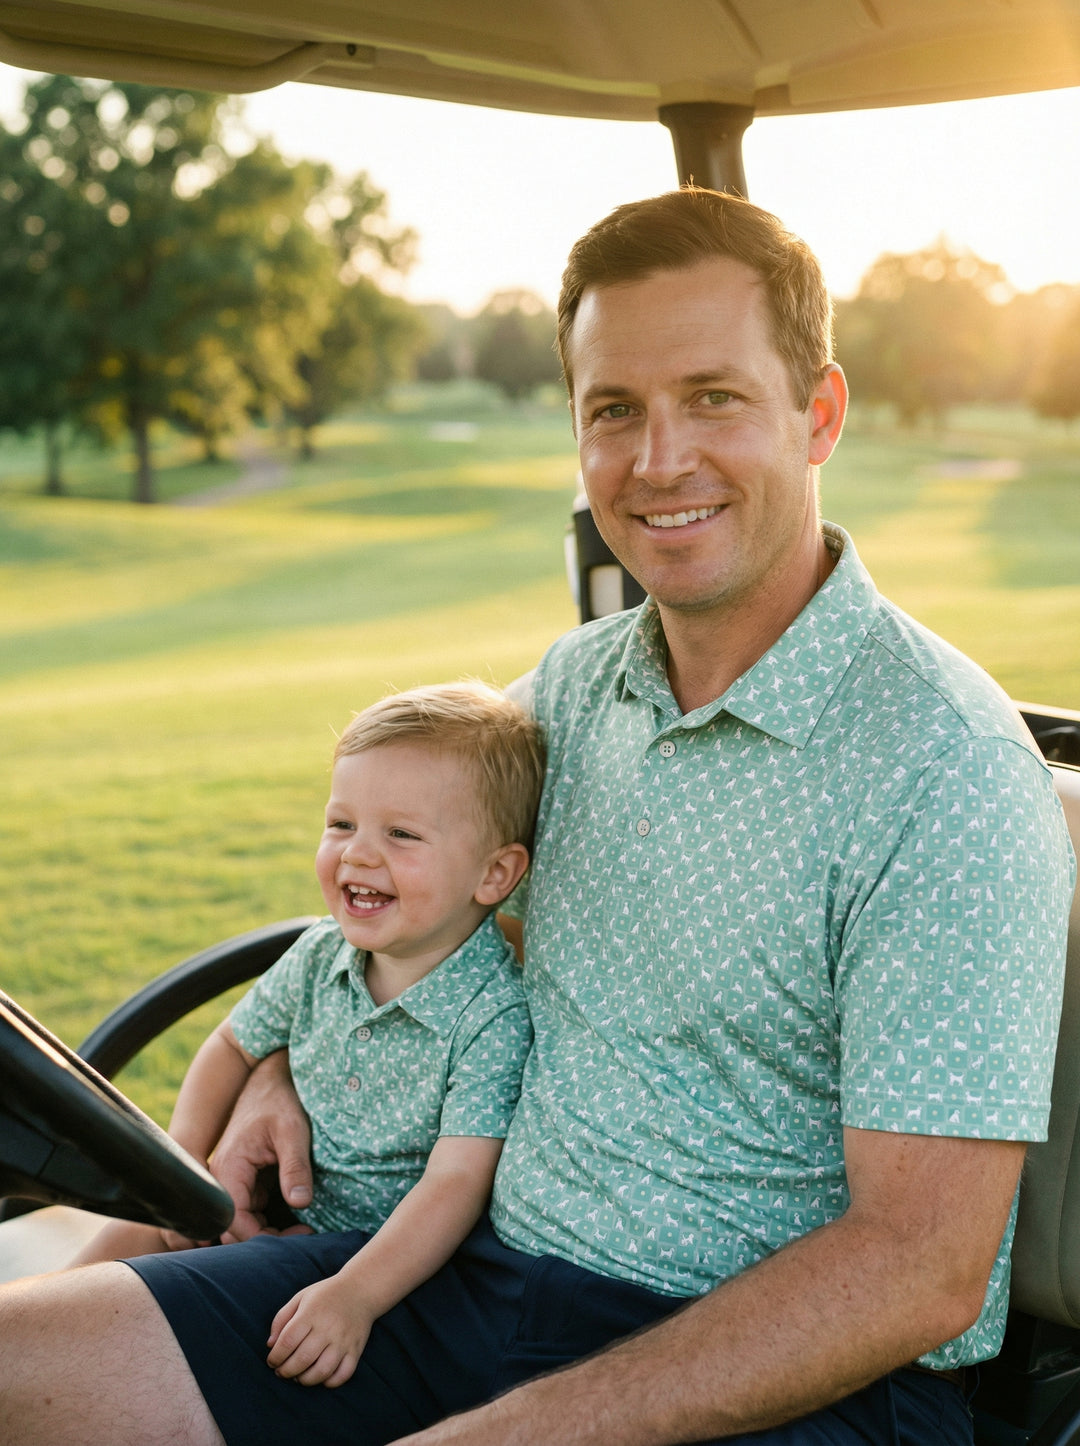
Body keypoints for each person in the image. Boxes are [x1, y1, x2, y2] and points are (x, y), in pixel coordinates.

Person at [0, 187, 1073, 1446]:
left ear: (818, 413)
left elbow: (916, 1267)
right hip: (478, 1287)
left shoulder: (941, 765)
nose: (658, 458)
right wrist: (281, 1060)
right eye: (614, 410)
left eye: (714, 396)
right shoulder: (576, 689)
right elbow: (413, 890)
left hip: (815, 1385)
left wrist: (507, 1434)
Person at [70, 680, 543, 1390]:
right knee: (126, 1238)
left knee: (152, 1319)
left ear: (495, 872)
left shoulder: (492, 1015)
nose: (357, 855)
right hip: (261, 1204)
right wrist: (186, 1169)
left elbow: (454, 1184)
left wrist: (356, 1294)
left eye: (401, 834)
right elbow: (234, 1046)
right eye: (341, 824)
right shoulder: (321, 955)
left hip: (363, 1259)